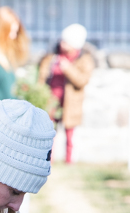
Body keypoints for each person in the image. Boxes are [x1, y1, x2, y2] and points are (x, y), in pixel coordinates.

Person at [38, 23, 95, 164]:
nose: (62, 44)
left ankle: (69, 161)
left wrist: (68, 69)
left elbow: (82, 80)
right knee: (49, 132)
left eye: (66, 42)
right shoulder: (52, 55)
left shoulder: (84, 59)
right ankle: (47, 160)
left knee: (70, 135)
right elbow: (42, 73)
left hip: (71, 103)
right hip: (52, 100)